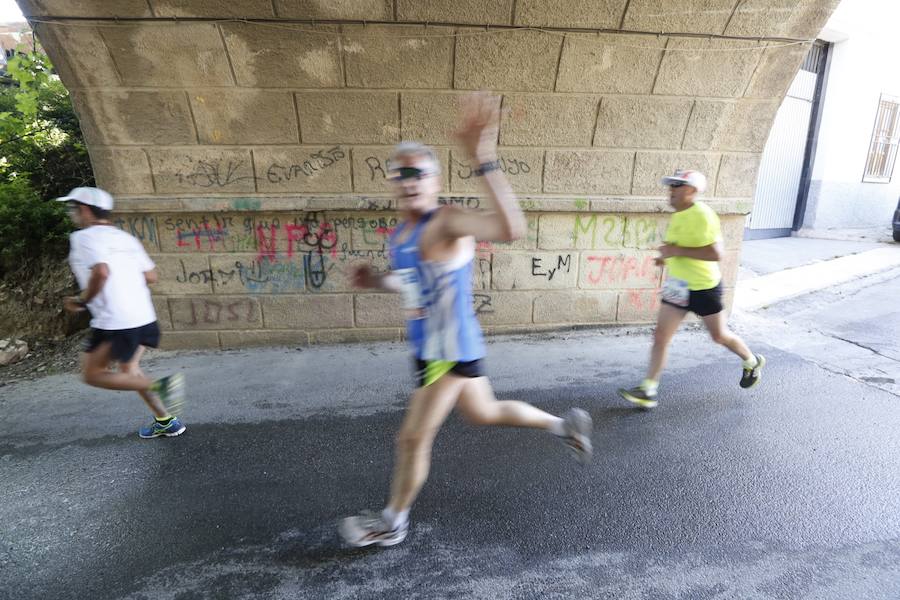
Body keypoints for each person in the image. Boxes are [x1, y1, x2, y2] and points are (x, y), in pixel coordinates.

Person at [338, 95, 593, 548]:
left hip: (448, 351)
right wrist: (376, 280)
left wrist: (484, 160)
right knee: (485, 412)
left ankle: (392, 522)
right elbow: (414, 284)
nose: (408, 181)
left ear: (435, 180)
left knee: (413, 439)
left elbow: (511, 228)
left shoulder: (446, 221)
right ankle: (562, 426)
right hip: (434, 349)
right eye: (400, 173)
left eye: (418, 172)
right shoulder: (402, 234)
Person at [619, 170, 765, 409]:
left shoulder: (703, 215)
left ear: (692, 191)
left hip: (704, 288)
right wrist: (666, 257)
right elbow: (681, 247)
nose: (671, 190)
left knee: (719, 336)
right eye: (671, 185)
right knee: (661, 337)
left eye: (678, 185)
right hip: (678, 286)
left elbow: (716, 253)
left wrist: (676, 252)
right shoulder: (679, 214)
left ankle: (751, 361)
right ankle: (648, 389)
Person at [58, 186, 185, 438]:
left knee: (92, 374)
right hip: (144, 318)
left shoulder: (82, 238)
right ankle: (165, 421)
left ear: (84, 210)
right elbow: (151, 275)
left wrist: (82, 301)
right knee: (129, 371)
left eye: (73, 208)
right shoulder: (126, 239)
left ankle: (161, 386)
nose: (72, 214)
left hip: (115, 323)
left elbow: (101, 271)